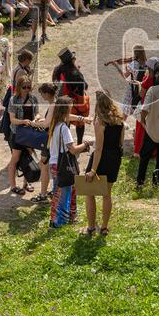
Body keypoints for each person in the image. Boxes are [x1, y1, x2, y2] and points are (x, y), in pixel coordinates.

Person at [82, 90, 124, 235]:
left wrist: (93, 170)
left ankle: (91, 227)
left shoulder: (100, 122)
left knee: (89, 192)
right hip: (115, 157)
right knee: (107, 194)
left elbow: (99, 149)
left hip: (101, 159)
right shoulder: (120, 120)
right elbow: (120, 142)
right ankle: (104, 227)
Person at [48, 95, 91, 228]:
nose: (71, 112)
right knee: (61, 193)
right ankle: (57, 222)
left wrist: (82, 119)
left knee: (66, 190)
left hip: (54, 163)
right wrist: (85, 144)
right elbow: (72, 150)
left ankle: (71, 216)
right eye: (70, 109)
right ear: (66, 111)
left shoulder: (55, 124)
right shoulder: (65, 129)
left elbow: (70, 117)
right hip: (62, 165)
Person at [5, 75, 39, 196]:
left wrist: (35, 119)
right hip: (17, 134)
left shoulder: (33, 98)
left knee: (29, 159)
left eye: (29, 87)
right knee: (15, 159)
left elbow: (37, 113)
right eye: (24, 87)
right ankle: (13, 186)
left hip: (30, 133)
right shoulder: (13, 100)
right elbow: (12, 120)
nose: (26, 89)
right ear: (19, 87)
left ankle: (26, 182)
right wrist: (24, 121)